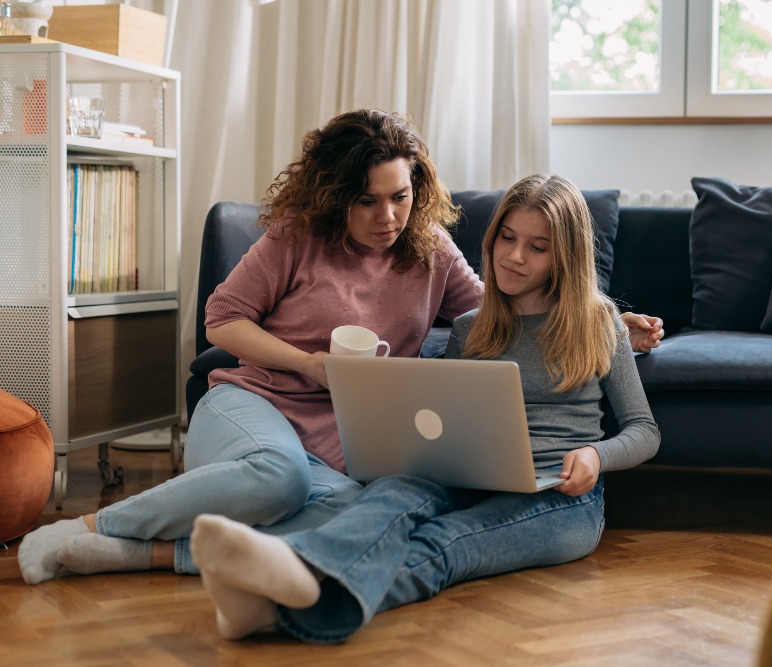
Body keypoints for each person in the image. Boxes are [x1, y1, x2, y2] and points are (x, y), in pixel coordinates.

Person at [18, 111, 663, 585]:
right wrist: (305, 363)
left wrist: (610, 320)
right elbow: (221, 319)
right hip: (257, 402)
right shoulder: (297, 236)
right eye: (368, 201)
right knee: (280, 476)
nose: (389, 216)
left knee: (364, 519)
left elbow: (504, 311)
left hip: (345, 436)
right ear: (335, 197)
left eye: (402, 197)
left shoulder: (432, 248)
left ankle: (139, 554)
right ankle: (91, 528)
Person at [189, 173, 661, 643]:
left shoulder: (601, 324)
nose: (515, 256)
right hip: (470, 478)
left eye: (538, 248)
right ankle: (282, 579)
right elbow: (444, 416)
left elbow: (644, 430)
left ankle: (280, 602)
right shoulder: (471, 326)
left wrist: (597, 456)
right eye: (508, 238)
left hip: (559, 497)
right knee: (391, 496)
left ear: (565, 258)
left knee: (444, 544)